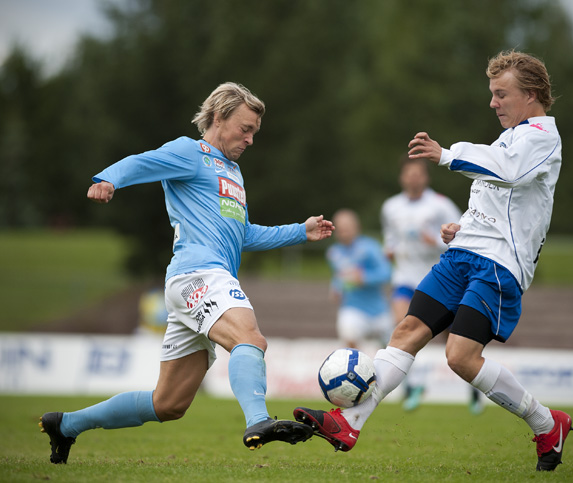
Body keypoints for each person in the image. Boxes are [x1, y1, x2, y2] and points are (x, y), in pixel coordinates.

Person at [294, 50, 572, 472]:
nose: (493, 103)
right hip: (463, 255)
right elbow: (497, 199)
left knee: (460, 357)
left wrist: (446, 154)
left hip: (498, 265)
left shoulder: (542, 137)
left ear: (531, 94)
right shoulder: (511, 136)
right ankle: (348, 423)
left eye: (501, 94)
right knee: (406, 330)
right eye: (492, 94)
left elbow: (508, 173)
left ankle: (546, 423)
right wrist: (461, 227)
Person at [38, 82, 334, 464]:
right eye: (245, 129)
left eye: (254, 133)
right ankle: (259, 421)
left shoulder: (233, 173)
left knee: (169, 403)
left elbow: (241, 233)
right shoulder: (190, 152)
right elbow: (143, 161)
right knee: (250, 339)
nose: (250, 139)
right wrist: (108, 179)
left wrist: (300, 230)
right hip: (200, 274)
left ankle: (66, 425)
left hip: (196, 282)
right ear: (217, 117)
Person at [381, 156, 481, 412]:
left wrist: (434, 241)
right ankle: (413, 387)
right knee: (401, 328)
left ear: (425, 177)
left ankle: (474, 390)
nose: (413, 178)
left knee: (453, 341)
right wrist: (389, 250)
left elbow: (462, 237)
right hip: (404, 278)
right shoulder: (391, 206)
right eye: (409, 174)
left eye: (418, 174)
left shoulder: (441, 205)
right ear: (402, 177)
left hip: (438, 280)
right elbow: (390, 237)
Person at [327, 209, 392, 349]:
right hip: (352, 308)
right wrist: (336, 287)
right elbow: (338, 276)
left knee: (390, 350)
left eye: (346, 226)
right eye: (340, 227)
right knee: (349, 337)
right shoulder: (333, 252)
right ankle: (358, 368)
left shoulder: (371, 247)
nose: (343, 231)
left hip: (379, 310)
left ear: (356, 227)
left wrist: (364, 278)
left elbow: (386, 273)